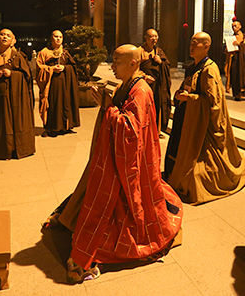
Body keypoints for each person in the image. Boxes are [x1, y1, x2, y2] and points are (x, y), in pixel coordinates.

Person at [44, 45, 183, 284]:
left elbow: (130, 132)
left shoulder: (141, 91)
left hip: (131, 163)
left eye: (117, 61)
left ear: (132, 63)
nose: (112, 66)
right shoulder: (126, 84)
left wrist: (108, 108)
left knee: (120, 205)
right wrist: (108, 105)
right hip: (116, 157)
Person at [164, 32, 245, 204]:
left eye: (196, 43)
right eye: (191, 43)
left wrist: (191, 98)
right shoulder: (191, 67)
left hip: (201, 126)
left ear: (206, 46)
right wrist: (180, 95)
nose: (192, 46)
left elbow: (213, 102)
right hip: (187, 118)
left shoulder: (209, 69)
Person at [0, 29, 35, 159]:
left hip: (16, 96)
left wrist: (12, 74)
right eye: (2, 34)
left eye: (8, 35)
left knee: (17, 120)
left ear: (12, 40)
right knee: (2, 122)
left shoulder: (17, 56)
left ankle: (18, 148)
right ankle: (2, 149)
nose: (5, 37)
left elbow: (27, 76)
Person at [36, 30, 80, 137]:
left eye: (60, 37)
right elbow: (39, 68)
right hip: (51, 84)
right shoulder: (44, 52)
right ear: (51, 38)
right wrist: (51, 69)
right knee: (53, 104)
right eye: (56, 36)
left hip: (65, 83)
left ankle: (66, 126)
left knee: (66, 104)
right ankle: (52, 128)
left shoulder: (65, 52)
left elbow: (73, 67)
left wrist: (65, 68)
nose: (58, 39)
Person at [138, 28, 171, 135]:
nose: (154, 39)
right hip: (144, 84)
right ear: (146, 37)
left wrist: (160, 62)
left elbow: (167, 65)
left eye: (156, 36)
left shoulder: (159, 51)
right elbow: (134, 69)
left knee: (157, 106)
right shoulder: (140, 51)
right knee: (145, 107)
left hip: (157, 85)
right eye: (151, 36)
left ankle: (156, 129)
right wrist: (144, 77)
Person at [224, 20, 245, 101]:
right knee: (236, 77)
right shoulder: (231, 38)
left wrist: (240, 45)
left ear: (240, 26)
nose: (234, 28)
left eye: (235, 26)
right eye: (233, 26)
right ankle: (237, 95)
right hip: (237, 61)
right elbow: (228, 51)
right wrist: (228, 49)